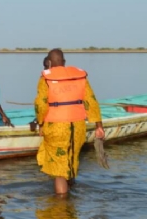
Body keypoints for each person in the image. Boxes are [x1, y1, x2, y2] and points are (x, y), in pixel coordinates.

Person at [34, 48, 104, 195]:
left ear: (49, 62)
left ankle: (61, 206)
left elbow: (41, 104)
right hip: (77, 126)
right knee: (71, 160)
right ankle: (72, 201)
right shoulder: (80, 77)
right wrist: (99, 126)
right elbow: (91, 102)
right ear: (64, 62)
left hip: (55, 126)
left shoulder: (45, 79)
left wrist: (40, 124)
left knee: (59, 170)